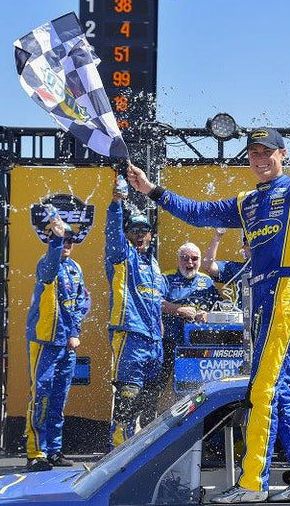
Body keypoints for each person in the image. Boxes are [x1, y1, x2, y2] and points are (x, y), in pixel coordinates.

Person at [126, 110, 290, 503]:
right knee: (279, 390)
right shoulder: (247, 202)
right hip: (264, 298)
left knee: (264, 389)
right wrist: (153, 190)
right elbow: (199, 213)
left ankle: (253, 483)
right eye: (253, 153)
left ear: (282, 154)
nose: (259, 159)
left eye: (266, 152)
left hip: (286, 292)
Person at [25, 217, 90, 471]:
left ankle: (54, 450)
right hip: (45, 339)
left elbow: (79, 304)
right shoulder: (46, 263)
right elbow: (51, 267)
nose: (67, 244)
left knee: (59, 399)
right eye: (63, 240)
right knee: (41, 395)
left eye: (70, 240)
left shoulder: (75, 268)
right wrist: (56, 236)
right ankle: (36, 452)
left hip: (67, 342)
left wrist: (75, 331)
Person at [105, 183, 167, 448]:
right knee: (128, 398)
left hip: (154, 342)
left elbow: (156, 303)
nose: (139, 234)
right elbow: (112, 237)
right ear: (127, 233)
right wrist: (117, 204)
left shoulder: (153, 264)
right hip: (130, 335)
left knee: (148, 401)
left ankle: (136, 452)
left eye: (144, 230)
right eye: (134, 230)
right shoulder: (123, 257)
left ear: (151, 235)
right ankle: (118, 450)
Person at [160, 242, 221, 394]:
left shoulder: (206, 281)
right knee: (156, 387)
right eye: (185, 258)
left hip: (196, 346)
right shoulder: (166, 278)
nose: (190, 262)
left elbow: (218, 307)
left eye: (194, 258)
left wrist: (207, 315)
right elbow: (155, 302)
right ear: (178, 260)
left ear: (200, 261)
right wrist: (179, 310)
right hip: (168, 342)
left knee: (190, 390)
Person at [202, 228, 251, 309]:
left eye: (255, 243)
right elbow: (207, 266)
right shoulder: (237, 268)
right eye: (248, 243)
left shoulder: (273, 264)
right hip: (247, 317)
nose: (252, 247)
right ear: (243, 247)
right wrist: (217, 237)